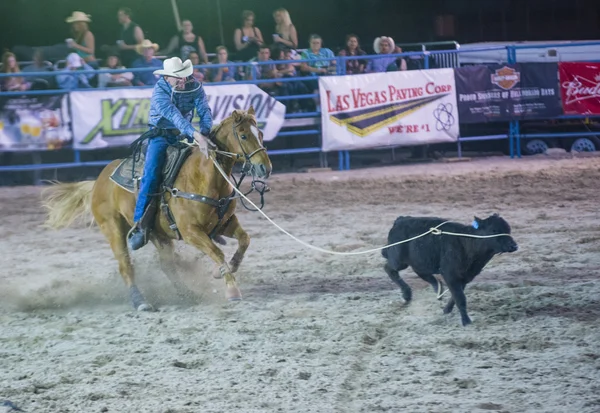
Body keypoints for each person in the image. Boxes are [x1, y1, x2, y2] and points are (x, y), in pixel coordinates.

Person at [128, 57, 214, 250]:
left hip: (184, 136)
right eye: (178, 78)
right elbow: (175, 116)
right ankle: (139, 225)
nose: (183, 81)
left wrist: (206, 131)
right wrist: (196, 135)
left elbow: (204, 109)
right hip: (161, 136)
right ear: (166, 78)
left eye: (184, 76)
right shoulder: (159, 93)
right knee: (151, 175)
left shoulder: (195, 86)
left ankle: (211, 218)